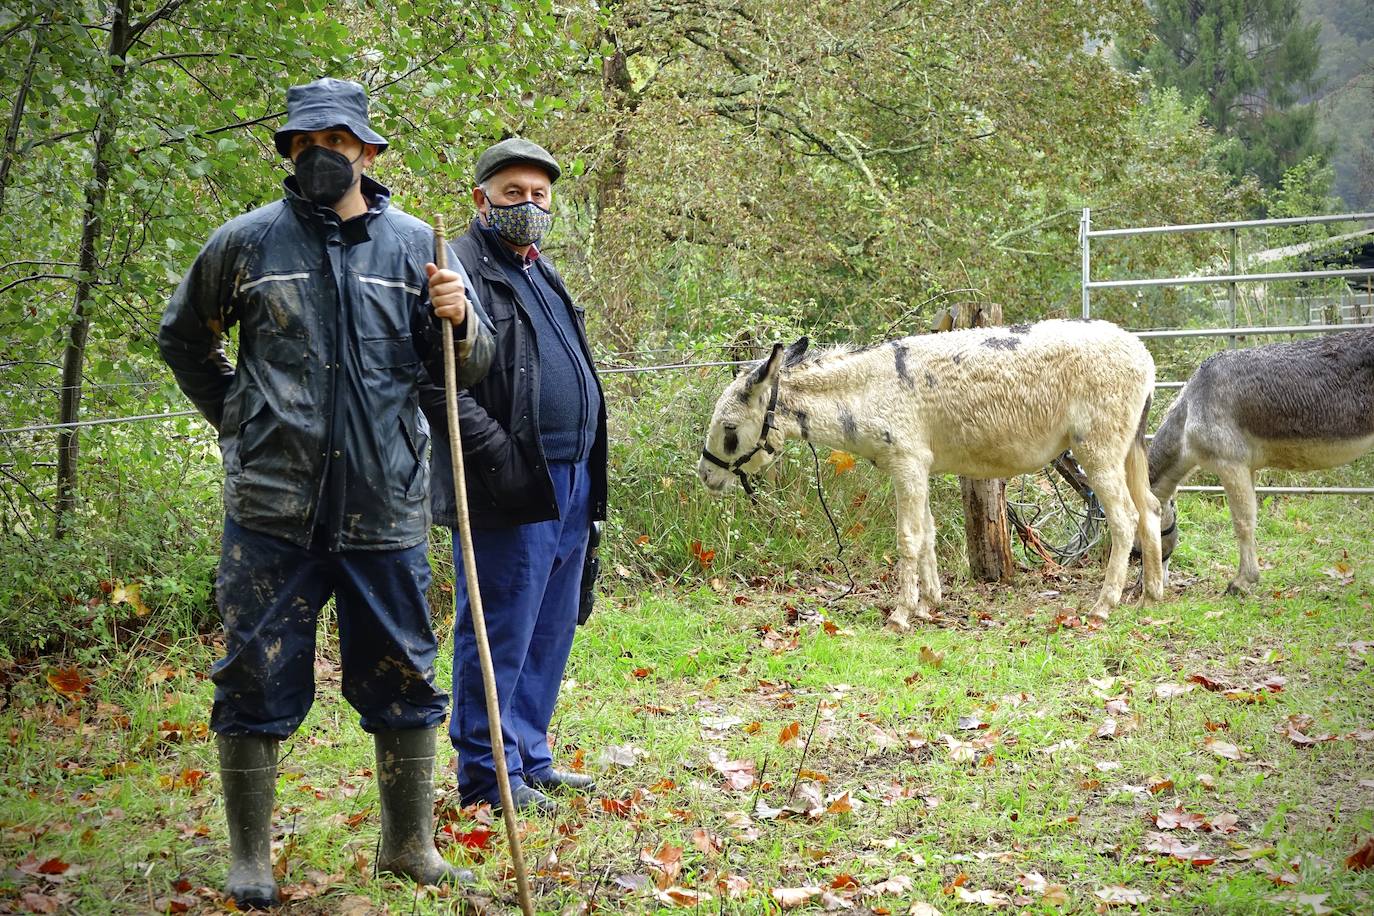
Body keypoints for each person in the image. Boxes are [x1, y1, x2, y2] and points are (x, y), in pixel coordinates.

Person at [158, 78, 492, 908]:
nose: (321, 157)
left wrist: (462, 322)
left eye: (337, 143)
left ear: (369, 153)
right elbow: (183, 338)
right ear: (289, 153)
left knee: (406, 676)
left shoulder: (423, 249)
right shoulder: (244, 245)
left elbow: (470, 370)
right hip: (272, 511)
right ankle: (250, 859)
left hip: (386, 504)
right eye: (306, 144)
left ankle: (408, 849)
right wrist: (240, 417)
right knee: (252, 677)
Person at [425, 138, 607, 815]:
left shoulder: (541, 269)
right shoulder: (457, 268)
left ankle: (530, 756)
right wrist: (497, 456)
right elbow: (437, 383)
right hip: (508, 480)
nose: (527, 206)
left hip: (572, 478)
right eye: (512, 194)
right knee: (499, 626)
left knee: (550, 625)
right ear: (481, 199)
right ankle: (488, 776)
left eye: (538, 195)